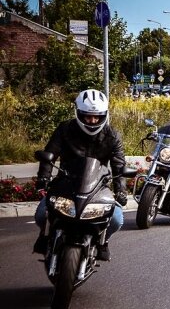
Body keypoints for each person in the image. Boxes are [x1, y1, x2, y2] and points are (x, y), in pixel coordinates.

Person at [33, 89, 128, 262]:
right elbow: (49, 155)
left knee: (116, 219)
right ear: (78, 113)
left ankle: (102, 241)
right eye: (87, 116)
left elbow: (119, 166)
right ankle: (45, 235)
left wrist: (121, 190)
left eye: (97, 116)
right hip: (66, 182)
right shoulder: (65, 130)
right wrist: (43, 179)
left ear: (104, 115)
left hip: (98, 187)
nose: (92, 121)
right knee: (41, 213)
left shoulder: (112, 136)